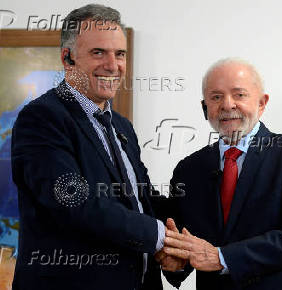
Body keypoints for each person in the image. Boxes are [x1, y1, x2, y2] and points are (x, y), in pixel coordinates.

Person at [11, 4, 183, 290]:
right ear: (68, 58)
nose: (113, 65)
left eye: (120, 54)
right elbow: (73, 201)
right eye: (98, 53)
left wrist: (188, 232)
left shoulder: (122, 126)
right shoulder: (41, 118)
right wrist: (161, 236)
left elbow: (141, 200)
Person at [162, 58, 282, 289]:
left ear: (262, 103)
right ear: (204, 107)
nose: (228, 105)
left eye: (239, 95)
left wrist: (221, 257)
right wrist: (176, 263)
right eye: (216, 97)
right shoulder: (188, 170)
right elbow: (188, 247)